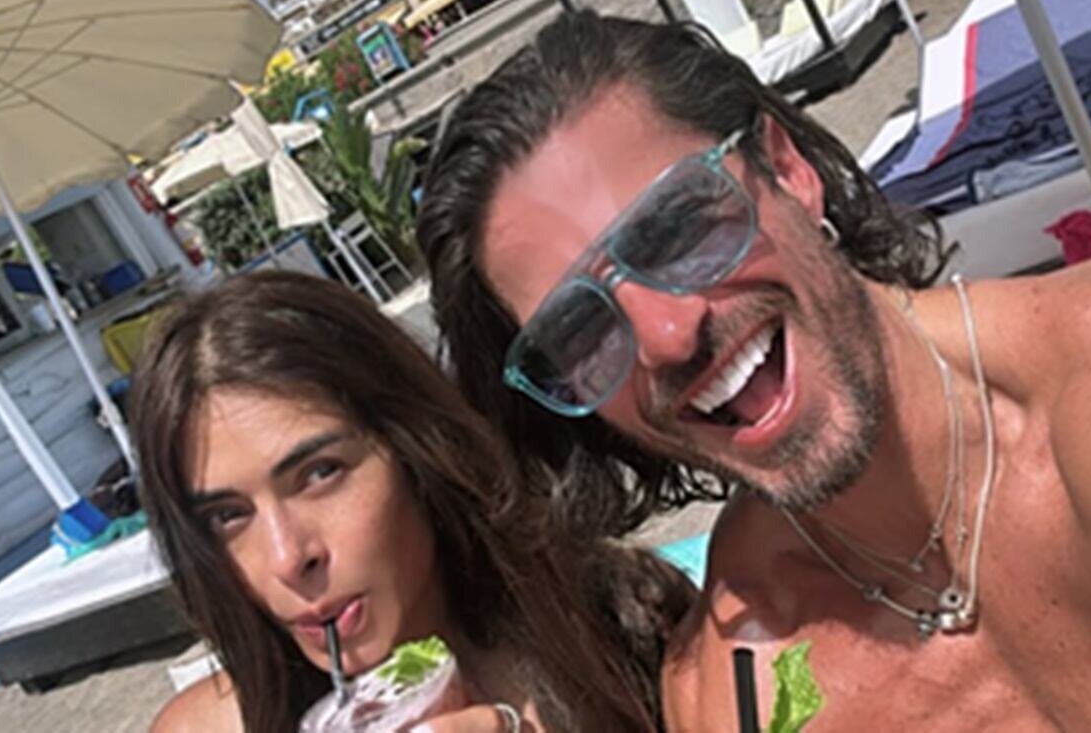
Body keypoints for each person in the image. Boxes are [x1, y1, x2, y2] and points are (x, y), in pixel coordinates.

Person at [417, 10, 1091, 730]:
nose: (667, 337)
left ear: (786, 168)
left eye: (676, 229)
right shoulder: (737, 684)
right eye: (580, 329)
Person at [131, 271, 694, 732]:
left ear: (418, 451)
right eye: (227, 515)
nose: (287, 558)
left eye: (321, 474)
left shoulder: (625, 623)